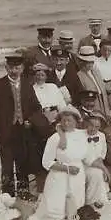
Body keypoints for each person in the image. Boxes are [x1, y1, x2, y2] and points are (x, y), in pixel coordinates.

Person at [0, 55, 41, 200]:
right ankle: (7, 196)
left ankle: (23, 193)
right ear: (6, 68)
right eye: (11, 68)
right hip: (4, 133)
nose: (14, 71)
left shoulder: (27, 84)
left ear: (22, 69)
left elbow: (36, 107)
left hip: (23, 131)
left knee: (22, 164)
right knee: (7, 165)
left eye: (17, 68)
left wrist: (31, 121)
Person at [26, 105, 89, 220]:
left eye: (69, 120)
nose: (66, 123)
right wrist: (67, 168)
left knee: (76, 202)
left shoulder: (82, 135)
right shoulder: (54, 138)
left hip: (77, 173)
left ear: (76, 121)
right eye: (63, 120)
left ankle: (73, 216)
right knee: (57, 209)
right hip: (60, 175)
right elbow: (46, 162)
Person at [31, 63, 68, 195]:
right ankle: (42, 183)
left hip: (55, 119)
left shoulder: (53, 87)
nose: (40, 76)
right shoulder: (31, 89)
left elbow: (62, 106)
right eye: (37, 74)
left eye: (43, 74)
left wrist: (63, 120)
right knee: (41, 152)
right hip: (39, 122)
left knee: (58, 150)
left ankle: (58, 181)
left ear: (47, 75)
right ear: (34, 75)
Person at [82, 114, 110, 209]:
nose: (93, 129)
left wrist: (101, 163)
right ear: (86, 124)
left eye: (97, 126)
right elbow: (85, 157)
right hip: (84, 165)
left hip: (97, 163)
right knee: (96, 173)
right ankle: (90, 200)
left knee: (99, 172)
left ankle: (100, 197)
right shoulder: (81, 135)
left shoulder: (101, 136)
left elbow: (103, 152)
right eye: (91, 125)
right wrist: (103, 168)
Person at [76, 46, 110, 116]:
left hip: (104, 105)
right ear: (81, 62)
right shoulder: (79, 76)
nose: (90, 64)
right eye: (87, 62)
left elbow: (102, 88)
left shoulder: (96, 72)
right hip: (91, 107)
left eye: (92, 62)